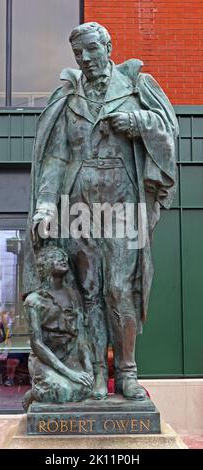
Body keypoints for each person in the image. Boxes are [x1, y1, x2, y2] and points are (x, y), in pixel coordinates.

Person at [23, 22, 178, 401]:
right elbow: (56, 158)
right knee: (88, 293)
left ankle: (126, 373)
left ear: (108, 46)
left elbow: (168, 130)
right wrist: (45, 206)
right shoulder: (69, 97)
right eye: (79, 54)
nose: (86, 59)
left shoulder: (136, 86)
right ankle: (94, 375)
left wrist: (137, 123)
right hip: (79, 208)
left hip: (124, 205)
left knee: (119, 289)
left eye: (92, 49)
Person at [22, 246, 93, 410]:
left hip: (69, 355)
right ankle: (35, 391)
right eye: (55, 257)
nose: (62, 259)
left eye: (63, 256)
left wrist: (88, 369)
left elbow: (80, 335)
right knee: (62, 392)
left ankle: (48, 385)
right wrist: (70, 374)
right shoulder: (33, 301)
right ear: (44, 265)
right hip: (44, 359)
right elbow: (37, 344)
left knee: (85, 388)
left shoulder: (73, 295)